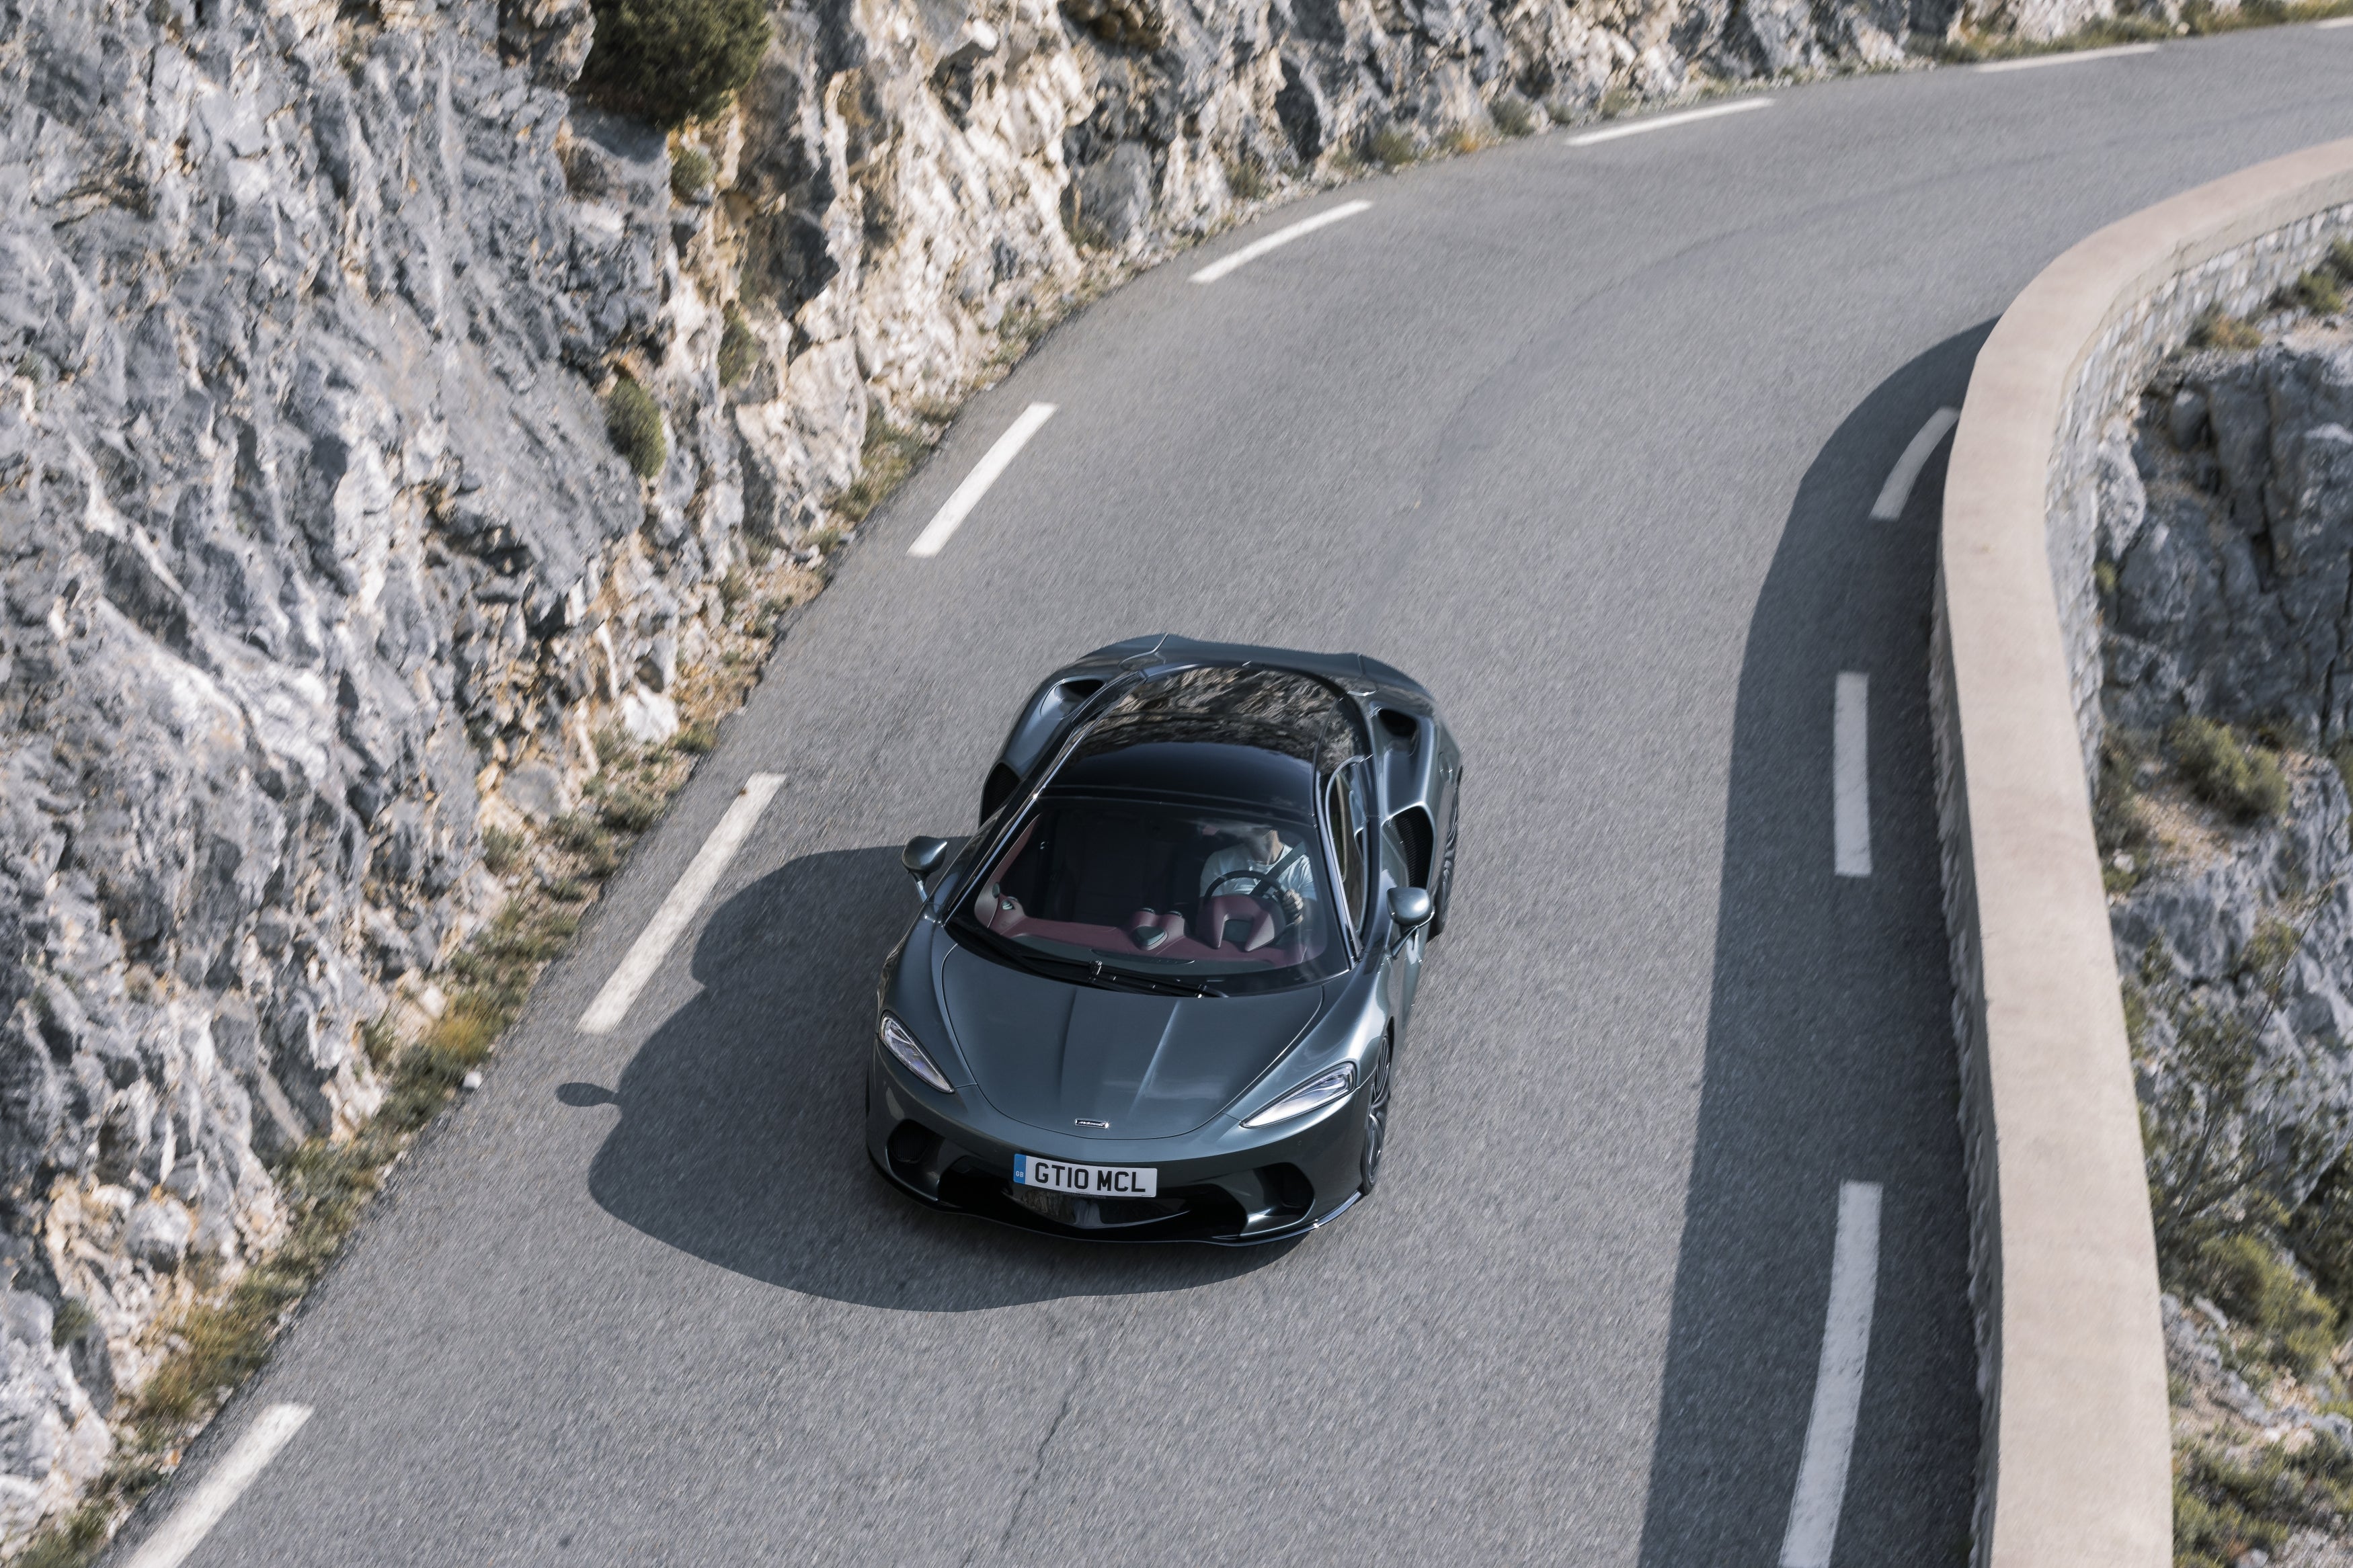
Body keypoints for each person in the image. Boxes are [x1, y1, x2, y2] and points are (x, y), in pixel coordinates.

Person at [1198, 822, 1316, 929]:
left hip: (1280, 949)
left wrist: (1295, 909)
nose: (1245, 825)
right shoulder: (1220, 861)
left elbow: (1309, 929)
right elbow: (1207, 921)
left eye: (1255, 819)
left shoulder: (1303, 867)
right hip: (1229, 947)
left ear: (1273, 825)